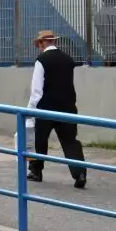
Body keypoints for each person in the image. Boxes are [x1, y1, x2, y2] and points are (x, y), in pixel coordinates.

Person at [26, 29, 87, 188]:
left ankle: (36, 171)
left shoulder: (41, 60)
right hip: (67, 107)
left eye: (39, 44)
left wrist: (30, 110)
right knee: (70, 141)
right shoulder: (68, 59)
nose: (39, 47)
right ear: (54, 42)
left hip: (46, 107)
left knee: (38, 140)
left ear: (42, 43)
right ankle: (79, 173)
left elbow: (36, 90)